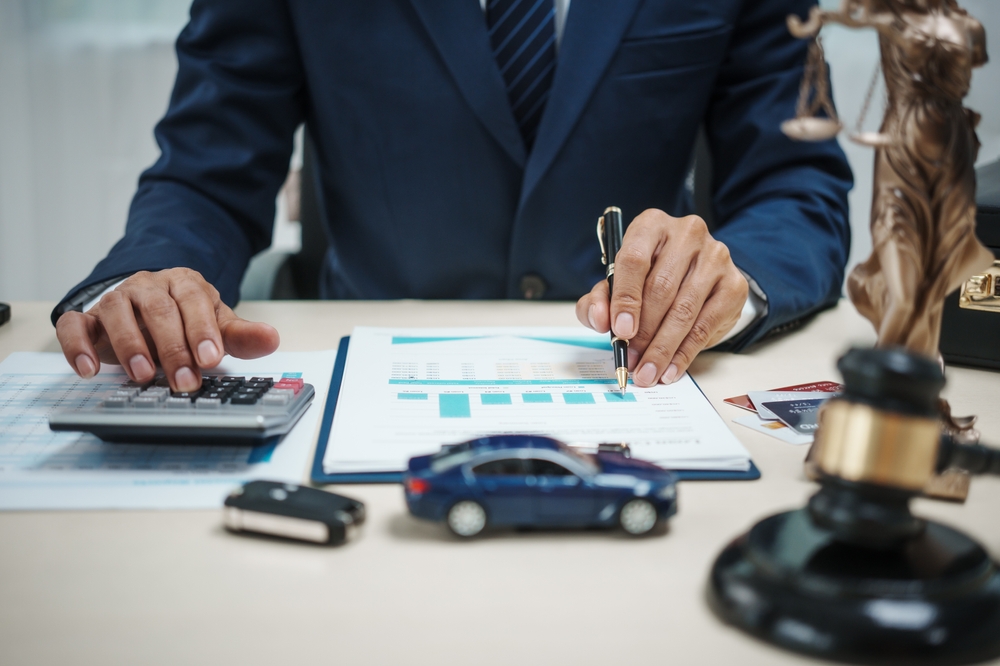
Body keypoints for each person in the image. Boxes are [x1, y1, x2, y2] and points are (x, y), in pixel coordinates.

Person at [53, 0, 853, 393]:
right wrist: (151, 277)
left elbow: (794, 178)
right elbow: (206, 172)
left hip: (641, 389)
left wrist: (732, 282)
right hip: (363, 388)